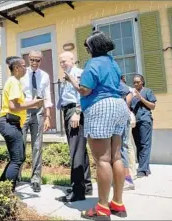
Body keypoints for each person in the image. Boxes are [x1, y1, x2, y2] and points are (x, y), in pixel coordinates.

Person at [66, 31, 129, 220]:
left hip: (100, 108)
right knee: (116, 158)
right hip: (118, 106)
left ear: (93, 47)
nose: (86, 49)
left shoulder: (93, 63)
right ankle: (117, 203)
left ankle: (102, 208)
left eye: (87, 46)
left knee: (102, 160)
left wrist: (72, 81)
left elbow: (85, 91)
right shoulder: (112, 62)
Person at [0, 56, 44, 192]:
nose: (26, 68)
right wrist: (35, 103)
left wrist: (33, 104)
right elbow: (13, 106)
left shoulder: (13, 81)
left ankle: (1, 189)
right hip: (10, 122)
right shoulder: (14, 82)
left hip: (9, 122)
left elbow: (16, 105)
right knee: (18, 159)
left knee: (16, 158)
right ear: (17, 68)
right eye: (24, 65)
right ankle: (6, 193)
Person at [55, 51, 93, 202]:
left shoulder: (78, 73)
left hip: (75, 111)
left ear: (73, 60)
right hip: (68, 110)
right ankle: (86, 186)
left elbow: (84, 94)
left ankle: (77, 192)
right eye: (61, 62)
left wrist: (77, 111)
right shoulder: (66, 75)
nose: (63, 64)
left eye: (65, 61)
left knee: (76, 151)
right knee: (80, 151)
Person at [18, 50, 53, 193]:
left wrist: (48, 116)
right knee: (19, 145)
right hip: (23, 112)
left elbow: (47, 96)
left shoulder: (44, 76)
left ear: (41, 60)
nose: (34, 63)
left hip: (38, 113)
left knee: (37, 146)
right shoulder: (20, 74)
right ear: (28, 59)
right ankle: (17, 176)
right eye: (32, 59)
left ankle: (36, 179)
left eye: (37, 60)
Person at [131, 74, 157, 178]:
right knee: (138, 145)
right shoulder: (132, 93)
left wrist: (141, 98)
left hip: (145, 120)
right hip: (135, 122)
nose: (136, 84)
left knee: (145, 144)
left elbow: (153, 106)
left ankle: (142, 169)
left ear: (142, 82)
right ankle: (145, 168)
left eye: (138, 82)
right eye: (134, 82)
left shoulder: (147, 91)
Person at [119, 77, 136, 191]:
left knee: (123, 147)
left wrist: (125, 107)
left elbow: (128, 93)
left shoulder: (114, 80)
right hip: (115, 118)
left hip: (120, 118)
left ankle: (128, 179)